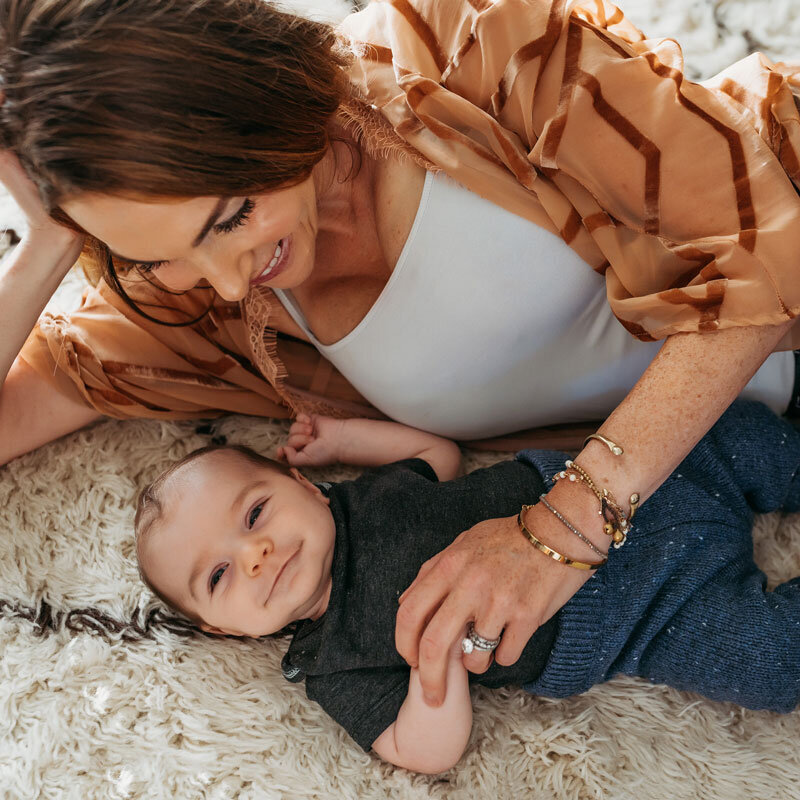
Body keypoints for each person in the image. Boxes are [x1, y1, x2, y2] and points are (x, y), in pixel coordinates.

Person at [1, 0, 799, 707]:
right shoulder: (198, 301)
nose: (225, 278)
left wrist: (561, 528)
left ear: (266, 90)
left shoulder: (467, 41)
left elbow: (761, 247)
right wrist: (44, 245)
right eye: (159, 254)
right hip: (721, 451)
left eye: (233, 215)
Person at [134, 401, 800, 774]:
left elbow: (439, 456)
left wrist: (343, 437)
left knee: (741, 429)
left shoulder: (363, 501)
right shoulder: (333, 664)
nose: (255, 554)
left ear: (305, 485)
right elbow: (421, 750)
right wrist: (436, 671)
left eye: (255, 514)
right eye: (218, 576)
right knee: (771, 662)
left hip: (606, 486)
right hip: (637, 617)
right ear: (221, 627)